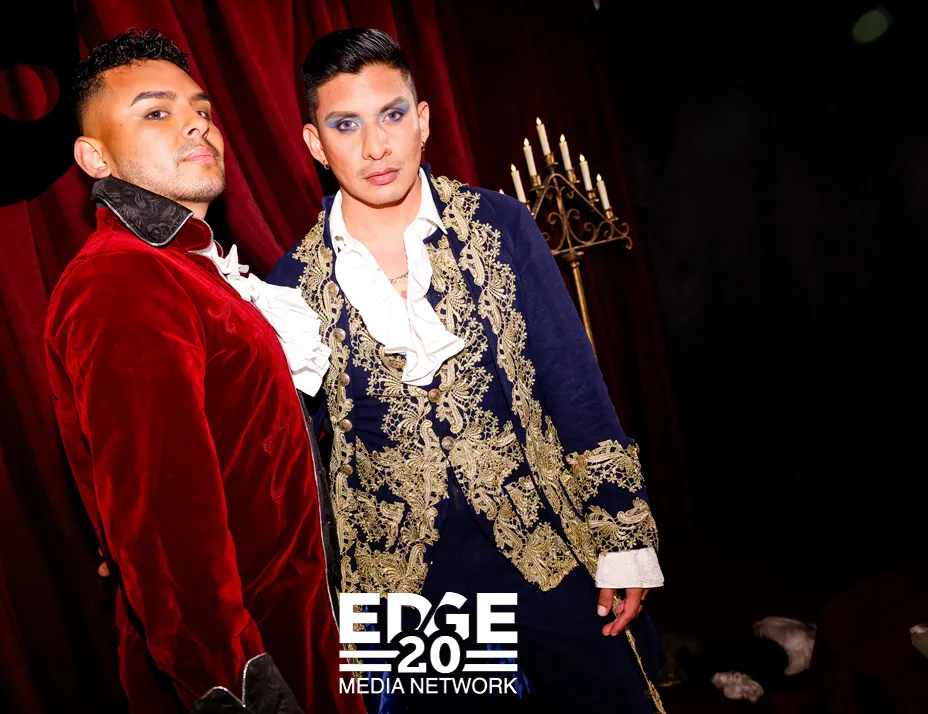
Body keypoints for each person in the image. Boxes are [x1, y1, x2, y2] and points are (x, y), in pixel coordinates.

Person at [266, 28, 667, 713]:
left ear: (422, 121)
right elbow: (295, 463)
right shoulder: (291, 284)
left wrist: (623, 537)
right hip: (406, 584)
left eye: (392, 115)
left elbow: (573, 383)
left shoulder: (501, 224)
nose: (376, 146)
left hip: (545, 541)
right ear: (314, 143)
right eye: (346, 124)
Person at [45, 29, 364, 714]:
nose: (196, 123)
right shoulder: (122, 279)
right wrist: (237, 688)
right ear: (95, 156)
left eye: (201, 109)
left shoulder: (187, 268)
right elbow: (166, 537)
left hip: (300, 633)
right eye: (156, 112)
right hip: (251, 665)